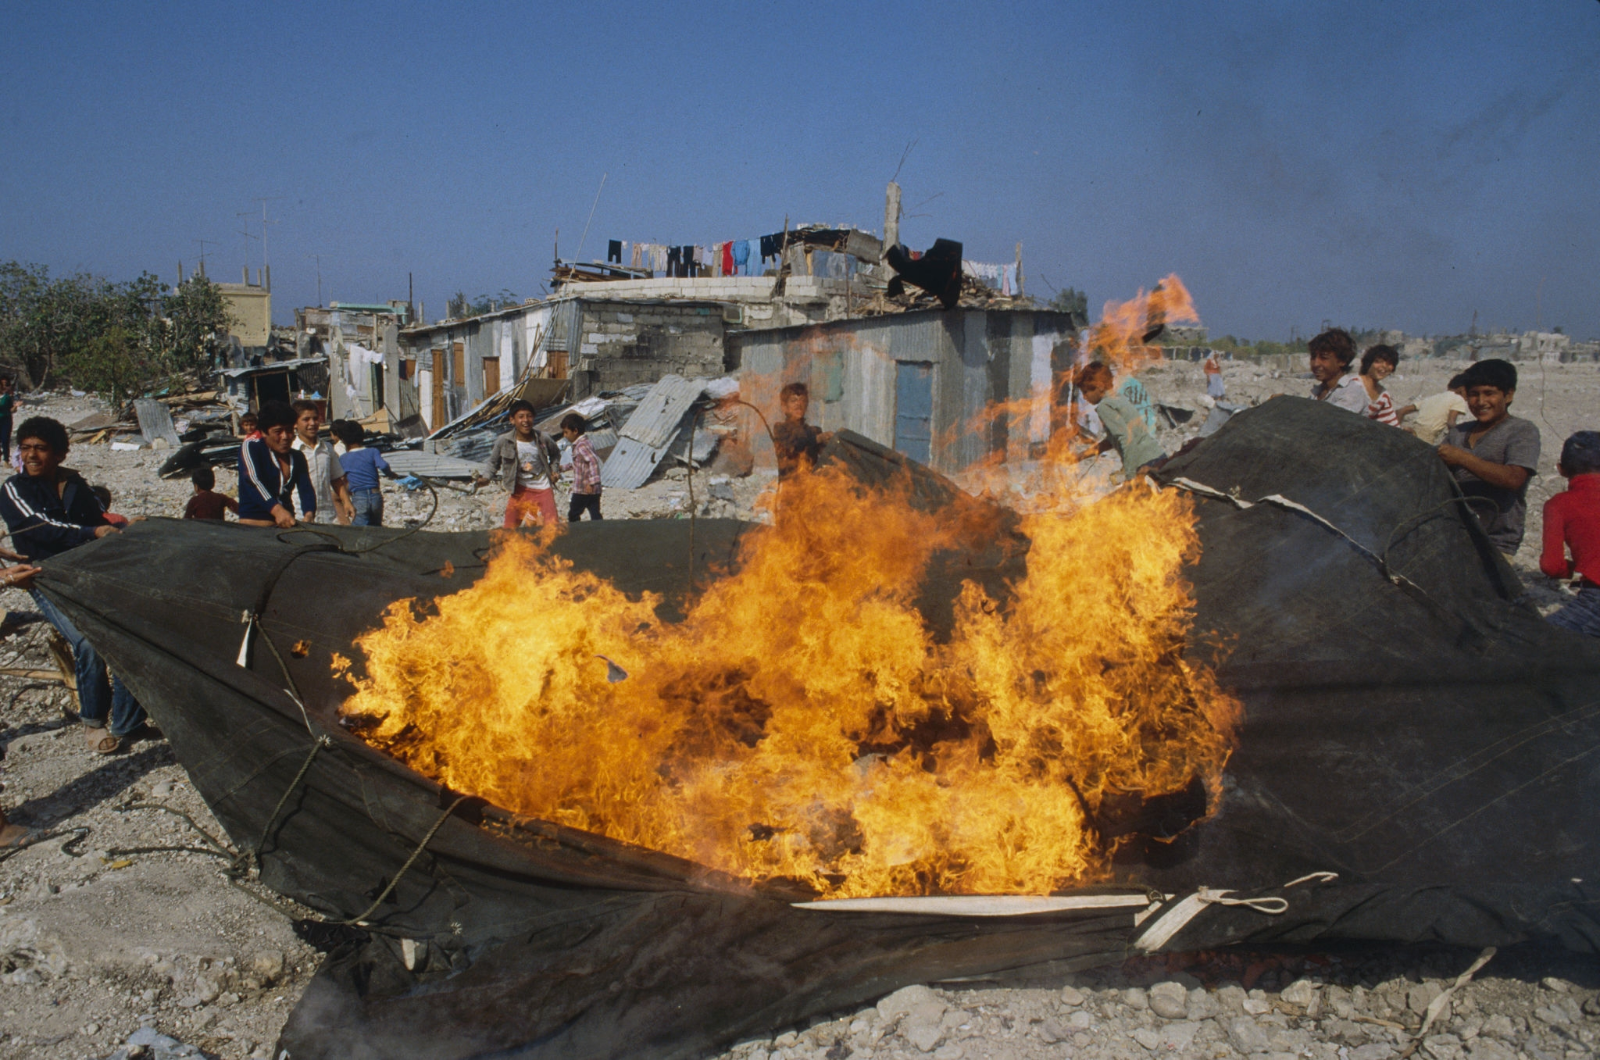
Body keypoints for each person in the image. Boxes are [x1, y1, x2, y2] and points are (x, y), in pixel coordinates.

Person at [0, 416, 147, 753]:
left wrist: (124, 526)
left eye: (40, 448)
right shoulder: (14, 489)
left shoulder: (74, 484)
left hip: (89, 572)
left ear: (60, 454)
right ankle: (93, 723)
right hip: (46, 577)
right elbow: (41, 527)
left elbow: (98, 518)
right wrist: (91, 533)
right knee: (88, 644)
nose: (31, 455)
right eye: (25, 448)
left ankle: (128, 721)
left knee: (129, 633)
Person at [1437, 359, 1541, 558]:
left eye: (1489, 393)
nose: (1480, 402)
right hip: (1453, 535)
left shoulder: (1521, 430)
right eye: (1474, 394)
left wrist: (1461, 458)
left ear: (1508, 395)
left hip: (1496, 541)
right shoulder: (1458, 433)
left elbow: (1514, 479)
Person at [1539, 431, 1600, 637]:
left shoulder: (1558, 504)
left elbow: (1551, 565)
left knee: (1538, 641)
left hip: (1596, 596)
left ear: (1561, 470)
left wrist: (1573, 568)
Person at [477, 399, 562, 528]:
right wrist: (486, 478)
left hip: (543, 489)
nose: (525, 420)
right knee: (510, 529)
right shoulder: (504, 441)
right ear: (512, 420)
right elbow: (493, 463)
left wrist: (554, 471)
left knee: (552, 527)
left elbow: (555, 454)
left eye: (529, 416)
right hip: (519, 489)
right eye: (521, 417)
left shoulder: (543, 438)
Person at [1076, 361, 1166, 479]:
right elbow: (1113, 439)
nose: (1084, 397)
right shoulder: (1118, 398)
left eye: (1086, 391)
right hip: (1158, 458)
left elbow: (1126, 439)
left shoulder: (1105, 406)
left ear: (1099, 386)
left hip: (1145, 465)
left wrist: (1130, 477)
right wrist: (1082, 456)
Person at [238, 400, 316, 528]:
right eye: (278, 431)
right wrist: (277, 510)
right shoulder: (251, 448)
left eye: (289, 430)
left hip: (285, 529)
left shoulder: (297, 457)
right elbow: (252, 480)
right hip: (254, 529)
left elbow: (306, 488)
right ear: (264, 432)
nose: (285, 436)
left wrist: (309, 513)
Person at [290, 400, 351, 525]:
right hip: (299, 513)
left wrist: (347, 502)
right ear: (295, 423)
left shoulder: (327, 448)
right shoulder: (291, 450)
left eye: (315, 418)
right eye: (306, 419)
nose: (312, 423)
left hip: (327, 514)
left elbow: (335, 479)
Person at [330, 420, 396, 527]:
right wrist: (391, 474)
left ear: (343, 440)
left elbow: (340, 477)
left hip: (359, 497)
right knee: (376, 528)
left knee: (358, 531)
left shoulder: (343, 458)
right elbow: (383, 466)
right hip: (376, 496)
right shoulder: (372, 451)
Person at [772, 382, 830, 479]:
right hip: (789, 488)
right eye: (793, 400)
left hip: (812, 487)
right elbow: (794, 445)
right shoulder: (780, 429)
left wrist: (833, 441)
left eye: (802, 400)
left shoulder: (815, 431)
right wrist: (817, 439)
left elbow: (828, 457)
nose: (799, 404)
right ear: (784, 407)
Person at [1396, 374, 1471, 446]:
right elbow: (1450, 422)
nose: (1468, 398)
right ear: (1462, 389)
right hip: (1427, 435)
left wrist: (1396, 430)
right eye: (1469, 393)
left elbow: (1401, 411)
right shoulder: (1459, 399)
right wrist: (1459, 440)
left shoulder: (1433, 398)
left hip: (1415, 428)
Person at [1307, 328, 1368, 414]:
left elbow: (1327, 422)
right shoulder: (1317, 392)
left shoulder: (1350, 393)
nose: (1316, 364)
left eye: (1324, 358)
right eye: (1313, 357)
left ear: (1342, 361)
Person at [561, 413, 603, 521]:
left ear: (575, 431)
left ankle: (576, 534)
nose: (564, 435)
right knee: (595, 514)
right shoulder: (583, 444)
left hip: (583, 489)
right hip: (591, 490)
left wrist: (592, 482)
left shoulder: (582, 445)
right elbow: (579, 464)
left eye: (566, 432)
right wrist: (564, 468)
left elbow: (593, 461)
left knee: (573, 515)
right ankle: (601, 533)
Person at [1358, 345, 1401, 426]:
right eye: (1378, 361)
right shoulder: (1354, 384)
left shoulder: (1383, 395)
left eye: (1389, 363)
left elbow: (1391, 424)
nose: (1384, 366)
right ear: (1369, 363)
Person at [0, 375, 16, 464]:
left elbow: (12, 409)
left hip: (5, 421)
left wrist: (16, 406)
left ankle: (6, 460)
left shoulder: (6, 397)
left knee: (5, 440)